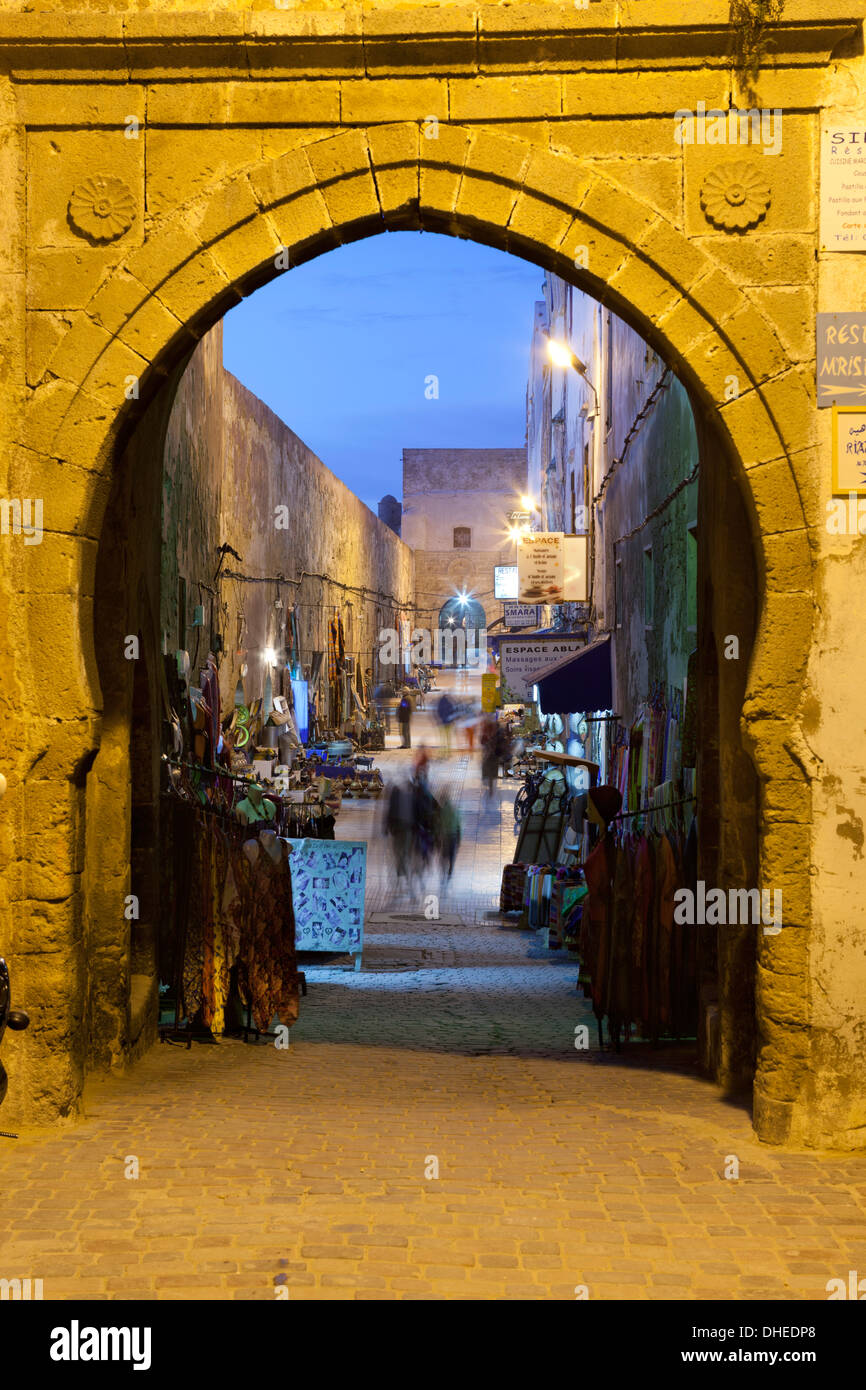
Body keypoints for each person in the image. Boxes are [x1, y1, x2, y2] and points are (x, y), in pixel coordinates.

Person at [435, 792, 462, 882]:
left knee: (444, 854)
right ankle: (450, 868)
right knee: (452, 853)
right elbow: (458, 824)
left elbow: (439, 824)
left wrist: (438, 836)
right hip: (454, 834)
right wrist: (459, 837)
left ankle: (444, 870)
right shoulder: (454, 809)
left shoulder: (442, 811)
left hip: (446, 835)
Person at [436, 690, 457, 755]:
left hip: (442, 723)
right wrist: (452, 720)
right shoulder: (449, 702)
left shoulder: (440, 703)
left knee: (443, 738)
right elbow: (453, 711)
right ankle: (448, 751)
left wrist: (439, 718)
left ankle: (443, 751)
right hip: (448, 722)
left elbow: (438, 711)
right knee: (448, 737)